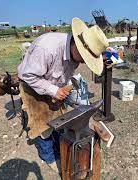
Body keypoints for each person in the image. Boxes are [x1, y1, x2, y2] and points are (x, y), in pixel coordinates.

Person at [17, 17, 109, 173]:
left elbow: (64, 72)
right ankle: (49, 157)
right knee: (42, 124)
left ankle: (59, 147)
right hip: (32, 83)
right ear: (79, 47)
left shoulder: (73, 54)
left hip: (51, 83)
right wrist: (53, 91)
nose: (86, 63)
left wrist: (60, 90)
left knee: (59, 117)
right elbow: (28, 75)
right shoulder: (47, 48)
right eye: (86, 58)